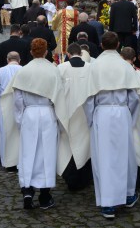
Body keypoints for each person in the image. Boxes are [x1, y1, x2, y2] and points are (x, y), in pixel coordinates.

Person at [78, 32, 140, 219]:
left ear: (101, 45)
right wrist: (131, 119)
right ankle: (128, 195)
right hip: (121, 112)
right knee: (125, 156)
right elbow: (134, 98)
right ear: (118, 44)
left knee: (103, 157)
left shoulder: (94, 66)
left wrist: (91, 119)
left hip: (101, 113)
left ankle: (108, 204)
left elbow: (88, 99)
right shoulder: (125, 67)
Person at [0, 39, 68, 210]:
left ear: (30, 52)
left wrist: (21, 120)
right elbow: (59, 98)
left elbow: (17, 100)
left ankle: (27, 190)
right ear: (46, 52)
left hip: (29, 113)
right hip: (47, 113)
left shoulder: (24, 71)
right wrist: (60, 122)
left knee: (27, 153)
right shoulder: (53, 71)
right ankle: (45, 195)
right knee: (47, 153)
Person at [57, 43, 93, 191]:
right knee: (85, 146)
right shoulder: (91, 68)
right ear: (81, 52)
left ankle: (70, 177)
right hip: (86, 114)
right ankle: (84, 178)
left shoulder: (61, 68)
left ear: (68, 54)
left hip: (66, 113)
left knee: (68, 147)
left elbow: (57, 92)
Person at [120, 47, 140, 189]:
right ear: (134, 59)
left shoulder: (118, 73)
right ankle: (139, 181)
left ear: (121, 57)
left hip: (121, 114)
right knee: (138, 146)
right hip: (138, 115)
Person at [0, 51, 22, 171]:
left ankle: (9, 163)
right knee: (20, 134)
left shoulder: (0, 71)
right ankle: (20, 161)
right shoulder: (23, 70)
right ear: (19, 60)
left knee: (6, 134)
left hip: (5, 106)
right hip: (22, 105)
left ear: (7, 60)